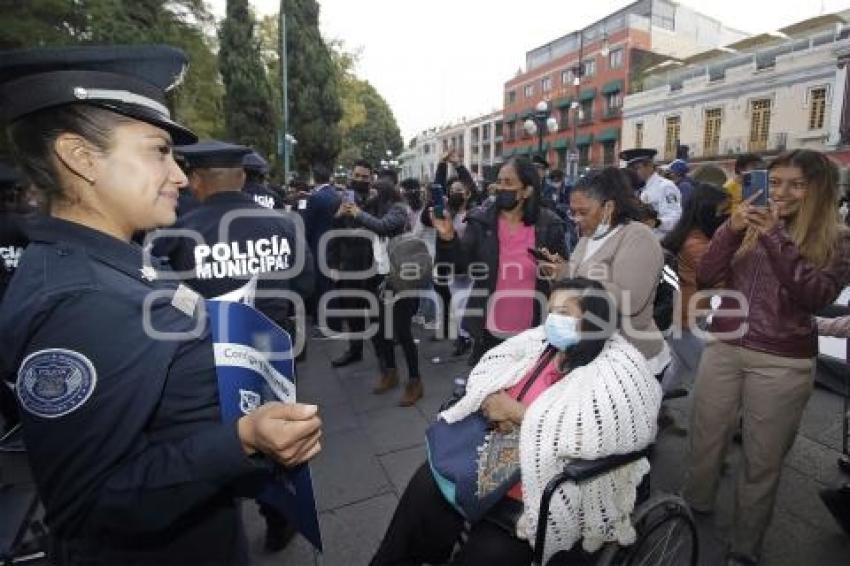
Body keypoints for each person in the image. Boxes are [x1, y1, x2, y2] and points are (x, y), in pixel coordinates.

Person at [0, 45, 323, 564]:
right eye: (158, 151)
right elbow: (87, 506)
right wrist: (240, 439)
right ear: (79, 157)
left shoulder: (111, 265)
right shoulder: (84, 302)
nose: (178, 175)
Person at [370, 278, 662, 566]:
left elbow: (608, 433)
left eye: (564, 312)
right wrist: (490, 400)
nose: (552, 320)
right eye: (551, 311)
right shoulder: (540, 342)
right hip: (488, 458)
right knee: (423, 492)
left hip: (540, 487)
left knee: (487, 555)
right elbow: (489, 371)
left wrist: (519, 413)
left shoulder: (614, 371)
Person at [683, 149, 850, 566]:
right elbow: (706, 277)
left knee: (762, 459)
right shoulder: (751, 224)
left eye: (797, 184)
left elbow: (815, 296)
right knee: (705, 436)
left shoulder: (838, 238)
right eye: (776, 183)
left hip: (782, 359)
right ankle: (692, 508)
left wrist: (776, 237)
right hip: (725, 343)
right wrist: (730, 231)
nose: (783, 193)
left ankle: (745, 547)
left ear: (820, 190)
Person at [432, 156, 567, 365]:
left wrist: (558, 272)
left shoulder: (550, 225)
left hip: (534, 334)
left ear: (526, 191)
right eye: (499, 181)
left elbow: (565, 277)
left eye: (508, 183)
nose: (499, 188)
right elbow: (459, 267)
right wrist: (448, 238)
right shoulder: (480, 221)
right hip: (489, 331)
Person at [542, 168, 668, 375]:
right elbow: (578, 282)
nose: (576, 219)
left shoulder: (637, 236)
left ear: (608, 207)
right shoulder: (587, 238)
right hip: (594, 354)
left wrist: (573, 280)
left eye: (583, 212)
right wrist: (561, 272)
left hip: (631, 355)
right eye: (573, 212)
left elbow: (630, 299)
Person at [336, 179, 423, 405]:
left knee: (402, 332)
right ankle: (390, 372)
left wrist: (358, 212)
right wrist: (342, 214)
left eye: (375, 191)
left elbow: (383, 226)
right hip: (380, 277)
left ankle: (415, 381)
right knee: (381, 329)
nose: (371, 195)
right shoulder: (374, 209)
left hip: (401, 277)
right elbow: (355, 229)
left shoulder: (399, 209)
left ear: (385, 192)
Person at [659, 183, 730, 393]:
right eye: (723, 211)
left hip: (684, 316)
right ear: (706, 212)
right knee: (709, 375)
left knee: (675, 369)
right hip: (684, 320)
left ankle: (650, 409)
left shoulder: (692, 236)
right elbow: (722, 279)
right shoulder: (695, 244)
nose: (728, 216)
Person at [327, 159, 377, 367]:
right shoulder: (340, 200)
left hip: (374, 264)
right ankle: (354, 350)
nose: (360, 180)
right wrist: (333, 265)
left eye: (364, 177)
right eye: (356, 176)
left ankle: (384, 355)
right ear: (350, 176)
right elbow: (333, 236)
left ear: (371, 178)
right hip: (349, 265)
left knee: (377, 313)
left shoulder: (378, 200)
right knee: (352, 311)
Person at [305, 163, 341, 329]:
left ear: (314, 178)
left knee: (321, 285)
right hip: (335, 244)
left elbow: (308, 225)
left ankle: (325, 323)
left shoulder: (314, 198)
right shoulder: (336, 195)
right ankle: (334, 322)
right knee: (331, 284)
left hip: (318, 245)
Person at [620, 148, 681, 235]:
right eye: (631, 170)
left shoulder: (665, 187)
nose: (633, 173)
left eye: (636, 168)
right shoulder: (639, 187)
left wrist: (656, 222)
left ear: (649, 166)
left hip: (660, 242)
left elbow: (675, 218)